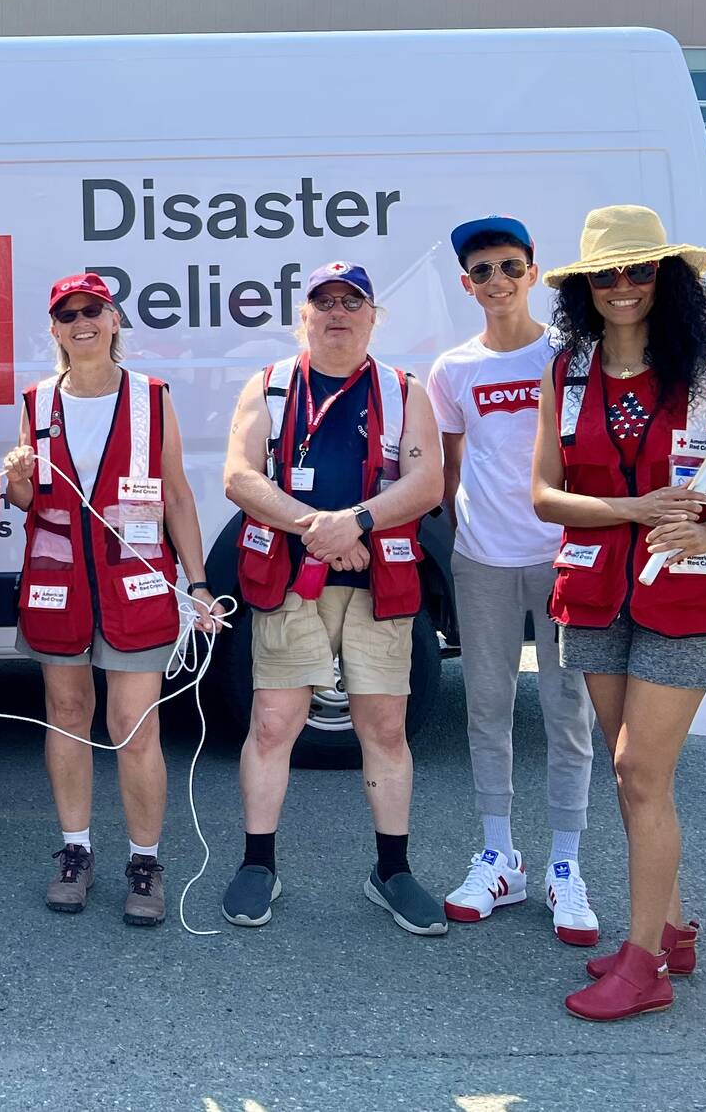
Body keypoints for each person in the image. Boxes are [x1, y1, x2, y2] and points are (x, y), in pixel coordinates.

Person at [534, 205, 706, 1022]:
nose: (622, 287)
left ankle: (643, 963)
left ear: (667, 278)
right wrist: (633, 506)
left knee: (642, 773)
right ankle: (670, 927)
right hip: (594, 590)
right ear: (583, 286)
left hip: (685, 594)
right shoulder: (565, 368)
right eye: (605, 274)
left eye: (640, 271)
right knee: (627, 769)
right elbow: (544, 493)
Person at [220, 261, 446, 936]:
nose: (338, 312)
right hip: (292, 581)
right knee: (272, 725)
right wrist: (316, 527)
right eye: (325, 301)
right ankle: (258, 863)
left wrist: (359, 522)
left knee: (382, 729)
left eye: (353, 301)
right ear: (304, 317)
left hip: (379, 582)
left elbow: (427, 480)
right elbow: (238, 475)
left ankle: (392, 871)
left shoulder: (406, 392)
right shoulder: (270, 387)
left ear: (373, 317)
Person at [2, 273, 223, 927]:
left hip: (136, 585)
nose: (81, 322)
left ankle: (145, 861)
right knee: (67, 713)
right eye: (67, 314)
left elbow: (177, 494)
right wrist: (15, 482)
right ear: (54, 329)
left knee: (134, 727)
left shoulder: (152, 397)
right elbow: (27, 500)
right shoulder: (37, 401)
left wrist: (199, 581)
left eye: (92, 310)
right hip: (59, 588)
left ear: (114, 318)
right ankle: (75, 850)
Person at [428, 218, 600, 946]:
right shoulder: (452, 370)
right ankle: (500, 856)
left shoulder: (571, 354)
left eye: (509, 266)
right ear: (466, 285)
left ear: (534, 271)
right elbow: (448, 467)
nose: (497, 280)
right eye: (483, 271)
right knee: (488, 709)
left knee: (568, 713)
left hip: (565, 558)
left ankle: (567, 866)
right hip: (484, 560)